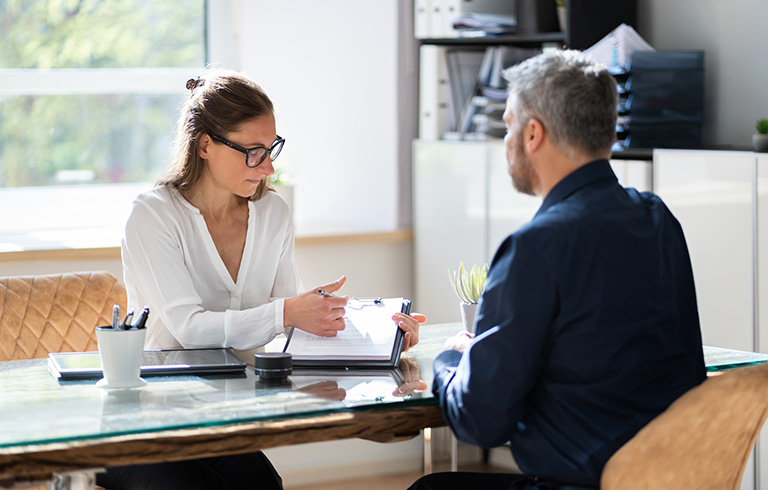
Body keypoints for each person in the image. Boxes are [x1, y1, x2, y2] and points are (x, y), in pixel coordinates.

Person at [100, 69, 424, 490]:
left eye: (271, 149)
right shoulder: (153, 216)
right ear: (205, 146)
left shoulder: (273, 213)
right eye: (253, 152)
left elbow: (294, 325)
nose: (268, 166)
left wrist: (384, 336)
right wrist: (288, 311)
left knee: (263, 487)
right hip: (147, 419)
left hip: (226, 413)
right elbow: (190, 327)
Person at [409, 50, 706, 490]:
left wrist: (452, 359)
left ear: (533, 134)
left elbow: (479, 421)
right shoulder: (659, 220)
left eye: (508, 124)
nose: (505, 139)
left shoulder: (534, 248)